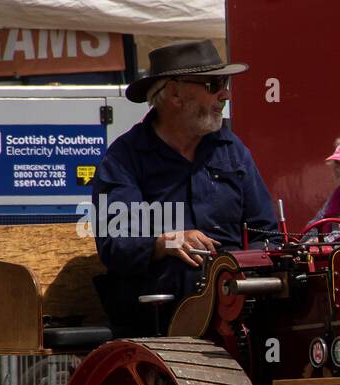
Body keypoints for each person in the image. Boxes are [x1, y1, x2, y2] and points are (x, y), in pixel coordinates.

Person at [91, 39, 276, 328]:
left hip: (234, 293)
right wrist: (169, 241)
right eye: (214, 84)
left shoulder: (232, 149)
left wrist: (243, 267)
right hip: (158, 311)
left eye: (225, 82)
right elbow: (116, 244)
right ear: (175, 94)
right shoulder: (124, 158)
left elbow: (266, 233)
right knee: (186, 271)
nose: (225, 94)